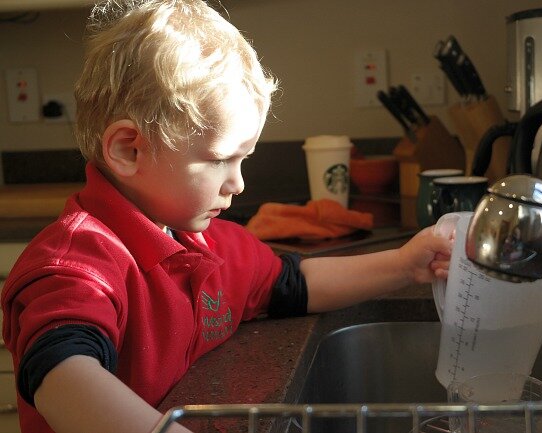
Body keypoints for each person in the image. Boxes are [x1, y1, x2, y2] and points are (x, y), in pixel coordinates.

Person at [1, 1, 452, 432]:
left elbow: (293, 285)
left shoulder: (209, 243)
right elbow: (60, 372)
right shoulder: (79, 261)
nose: (237, 183)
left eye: (244, 160)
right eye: (219, 160)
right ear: (128, 149)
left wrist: (405, 265)